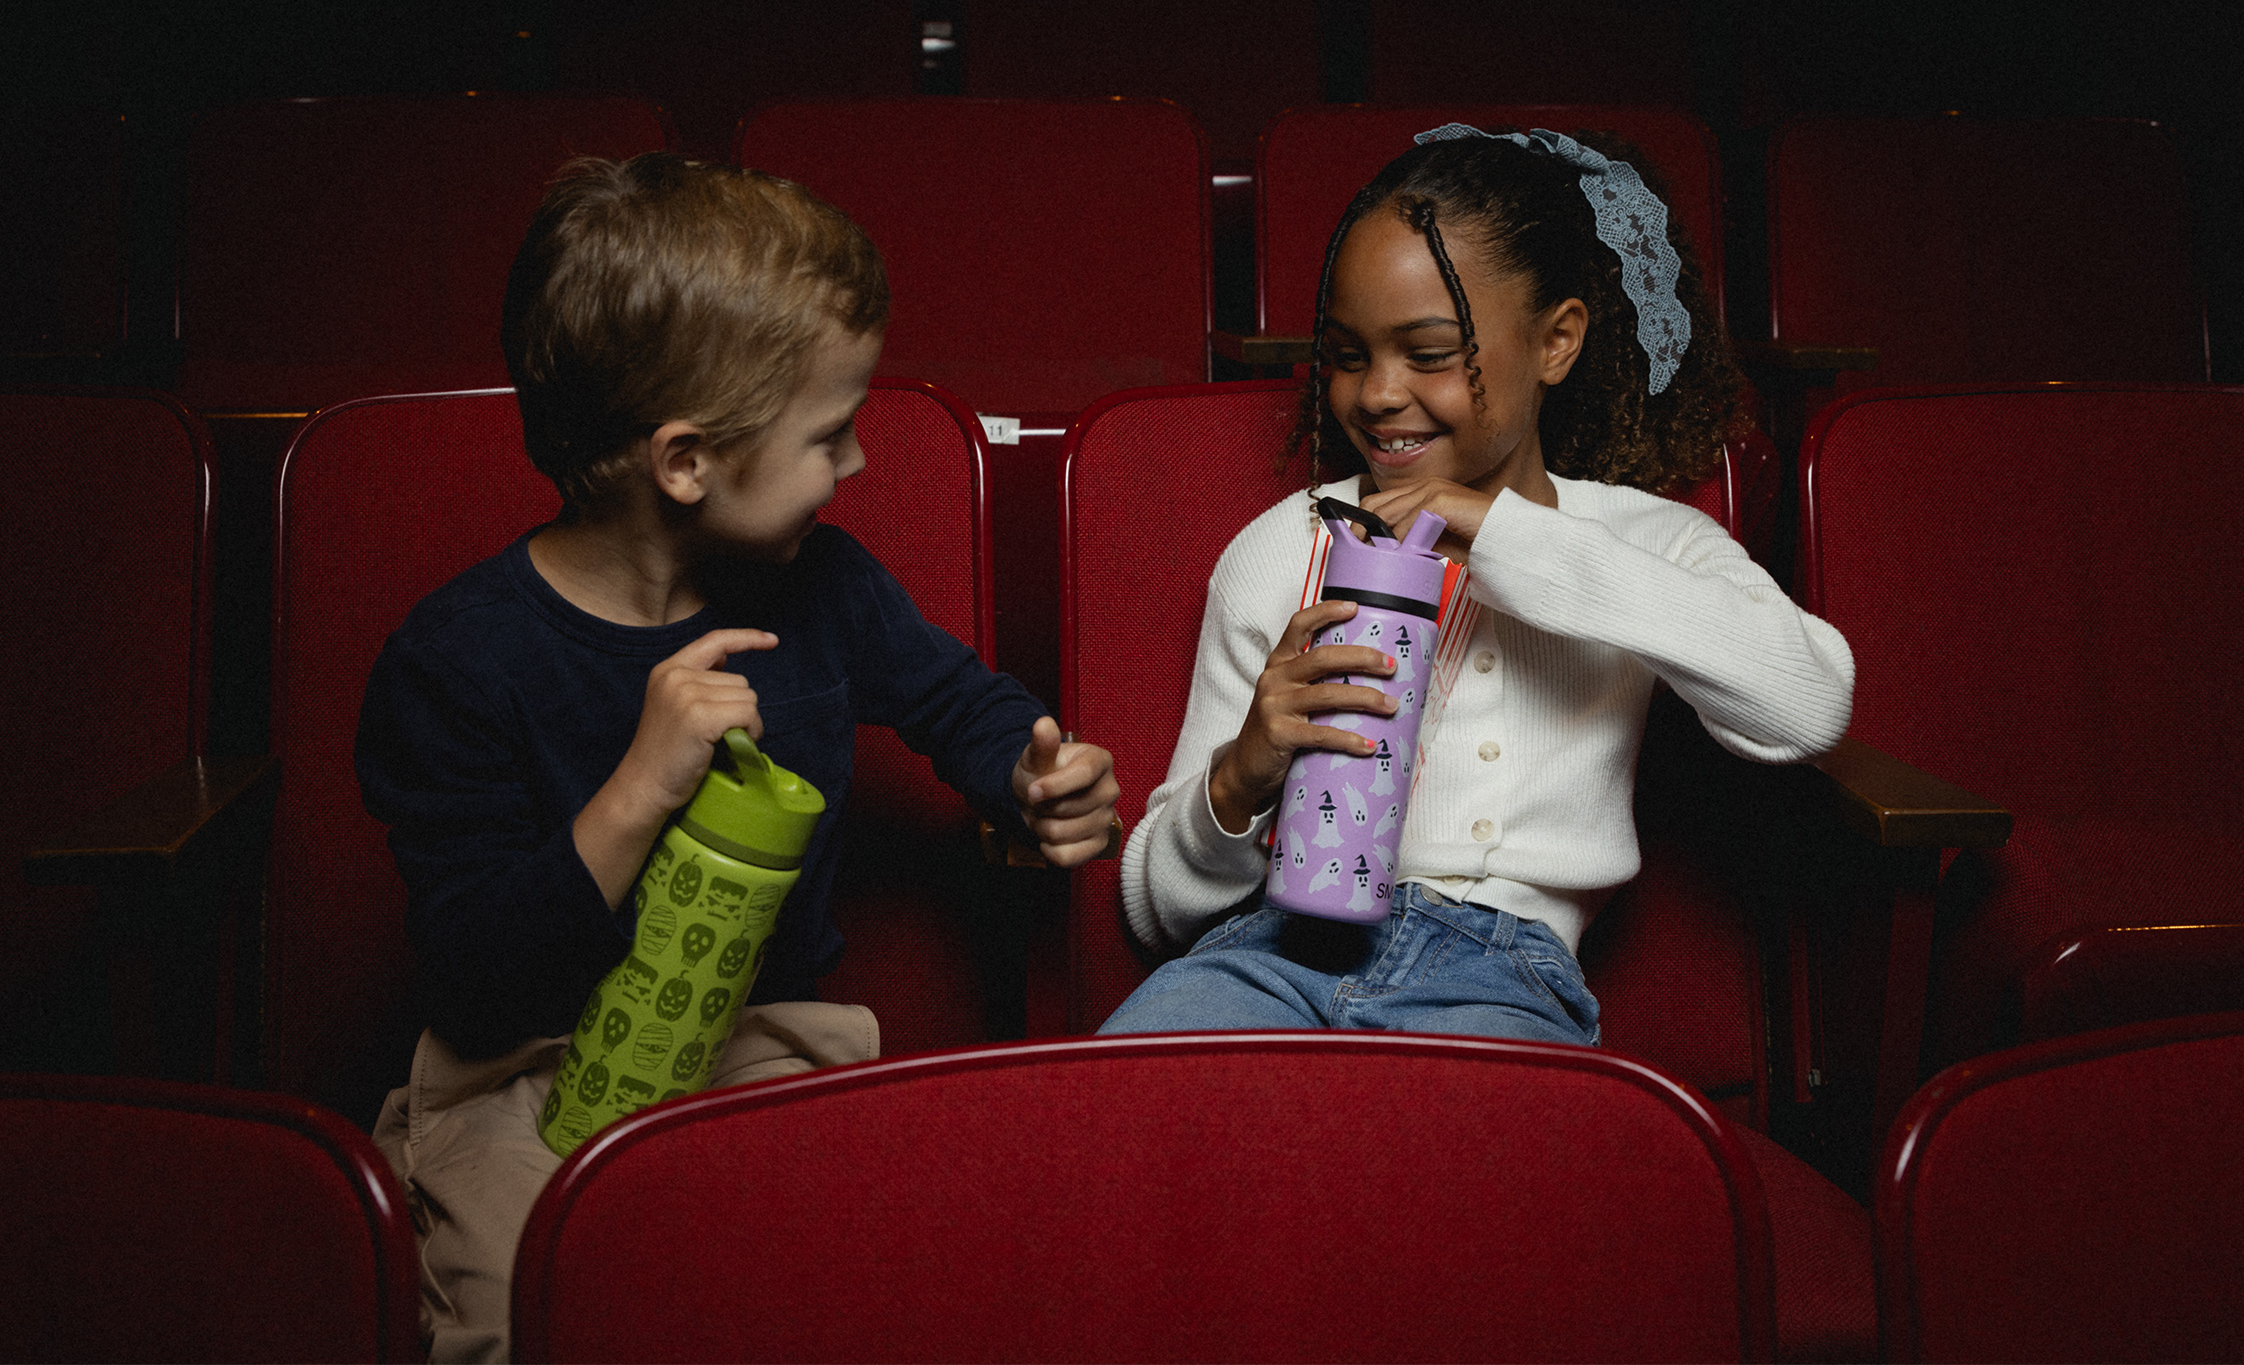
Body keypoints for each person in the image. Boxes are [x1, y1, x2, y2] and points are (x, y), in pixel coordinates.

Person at [356, 153, 1118, 1362]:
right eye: (831, 432)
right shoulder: (457, 660)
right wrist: (639, 788)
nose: (859, 463)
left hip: (757, 1041)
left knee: (881, 1282)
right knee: (523, 1303)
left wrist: (1030, 773)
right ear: (685, 460)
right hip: (519, 1076)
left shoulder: (824, 588)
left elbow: (960, 702)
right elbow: (475, 970)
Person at [1099, 127, 1852, 1042]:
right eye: (1345, 354)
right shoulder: (1285, 546)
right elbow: (1154, 906)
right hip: (1271, 957)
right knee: (1120, 1110)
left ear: (1557, 342)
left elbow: (1808, 705)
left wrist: (1504, 535)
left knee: (1477, 1173)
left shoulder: (1644, 543)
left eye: (1428, 352)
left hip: (1505, 981)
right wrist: (1243, 772)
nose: (1376, 394)